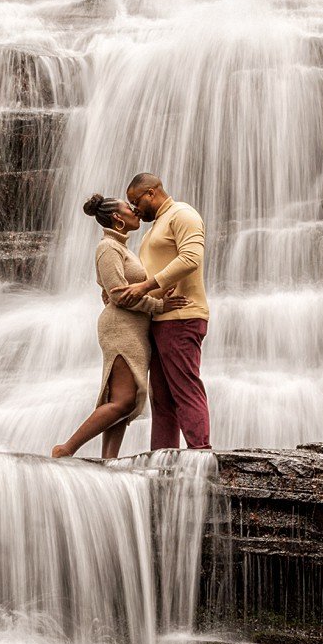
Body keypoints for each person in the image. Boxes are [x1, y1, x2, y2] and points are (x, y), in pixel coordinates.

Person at [52, 193, 188, 459]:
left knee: (122, 401)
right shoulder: (108, 248)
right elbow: (118, 295)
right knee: (124, 399)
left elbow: (127, 290)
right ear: (117, 217)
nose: (135, 210)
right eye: (129, 207)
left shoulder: (121, 248)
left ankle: (109, 460)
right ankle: (65, 449)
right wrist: (158, 306)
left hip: (134, 328)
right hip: (120, 328)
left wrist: (161, 291)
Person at [113, 173, 211, 450]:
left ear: (152, 193)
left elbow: (191, 258)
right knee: (162, 398)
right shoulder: (157, 226)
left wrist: (146, 286)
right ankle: (163, 457)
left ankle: (199, 452)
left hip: (182, 316)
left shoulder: (183, 214)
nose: (134, 209)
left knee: (184, 387)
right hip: (158, 317)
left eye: (136, 201)